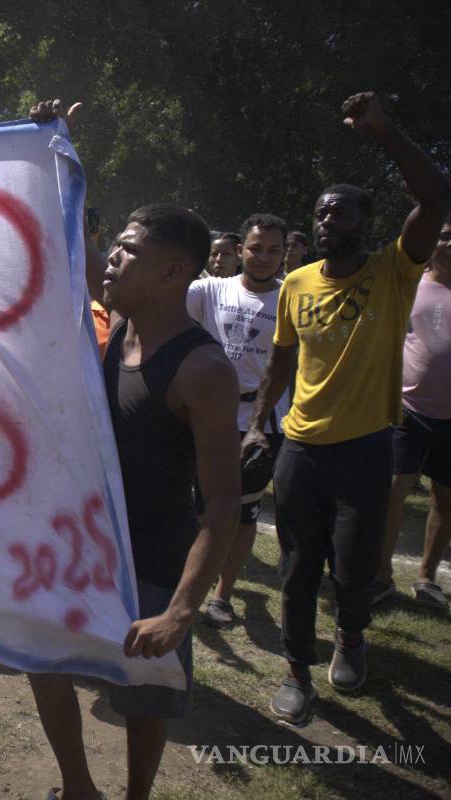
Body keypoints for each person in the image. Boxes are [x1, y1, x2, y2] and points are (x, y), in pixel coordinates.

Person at [27, 99, 241, 800]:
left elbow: (222, 507)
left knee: (143, 697)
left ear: (174, 271)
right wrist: (54, 148)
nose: (110, 259)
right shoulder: (122, 318)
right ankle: (78, 789)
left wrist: (181, 611)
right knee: (44, 665)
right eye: (113, 247)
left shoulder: (203, 370)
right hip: (84, 546)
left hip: (153, 558)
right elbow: (74, 239)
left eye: (127, 250)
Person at [243, 92, 451, 725]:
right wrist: (258, 425)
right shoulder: (297, 282)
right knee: (297, 565)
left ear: (366, 222)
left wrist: (385, 131)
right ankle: (296, 671)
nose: (326, 219)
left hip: (365, 448)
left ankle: (351, 635)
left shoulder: (394, 270)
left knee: (356, 569)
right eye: (320, 212)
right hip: (301, 447)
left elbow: (436, 198)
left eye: (339, 212)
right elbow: (281, 362)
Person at [187, 213, 292, 628]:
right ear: (239, 249)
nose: (263, 257)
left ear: (284, 254)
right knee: (198, 508)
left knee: (243, 514)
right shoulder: (209, 290)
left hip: (261, 424)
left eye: (273, 250)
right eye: (255, 248)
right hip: (205, 416)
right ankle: (188, 584)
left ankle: (223, 595)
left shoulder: (292, 297)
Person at [374, 215, 451, 610]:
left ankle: (426, 577)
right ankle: (380, 575)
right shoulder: (409, 285)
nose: (450, 245)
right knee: (392, 492)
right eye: (445, 236)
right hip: (408, 410)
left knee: (445, 499)